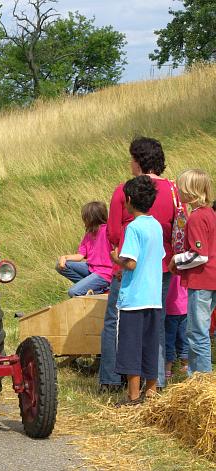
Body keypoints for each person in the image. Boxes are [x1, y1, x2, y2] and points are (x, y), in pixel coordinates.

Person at [99, 137, 176, 392]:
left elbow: (112, 232)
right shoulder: (173, 190)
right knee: (156, 324)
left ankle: (111, 378)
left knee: (116, 321)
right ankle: (156, 381)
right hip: (161, 266)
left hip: (129, 266)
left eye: (132, 159)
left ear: (139, 161)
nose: (130, 163)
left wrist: (118, 260)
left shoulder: (125, 190)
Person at [110, 176, 165, 406]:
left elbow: (131, 262)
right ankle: (151, 391)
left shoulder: (133, 227)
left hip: (134, 298)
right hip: (153, 297)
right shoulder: (156, 226)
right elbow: (157, 257)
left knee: (130, 346)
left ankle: (133, 396)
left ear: (130, 200)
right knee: (150, 345)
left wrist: (116, 259)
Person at [169, 169, 216, 374]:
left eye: (181, 188)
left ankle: (201, 378)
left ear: (191, 190)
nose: (179, 191)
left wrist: (176, 259)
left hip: (201, 280)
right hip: (211, 278)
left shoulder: (197, 217)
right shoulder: (210, 213)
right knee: (199, 330)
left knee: (197, 332)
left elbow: (200, 254)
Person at [55, 201, 113, 297]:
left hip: (105, 273)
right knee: (60, 265)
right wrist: (64, 257)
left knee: (73, 292)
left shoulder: (108, 230)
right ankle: (97, 290)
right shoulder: (89, 234)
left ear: (90, 218)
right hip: (92, 268)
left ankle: (98, 292)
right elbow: (80, 256)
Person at [164, 275, 188, 378]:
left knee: (168, 340)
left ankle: (167, 370)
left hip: (169, 308)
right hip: (184, 307)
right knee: (184, 339)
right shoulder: (183, 268)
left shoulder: (167, 268)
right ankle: (185, 366)